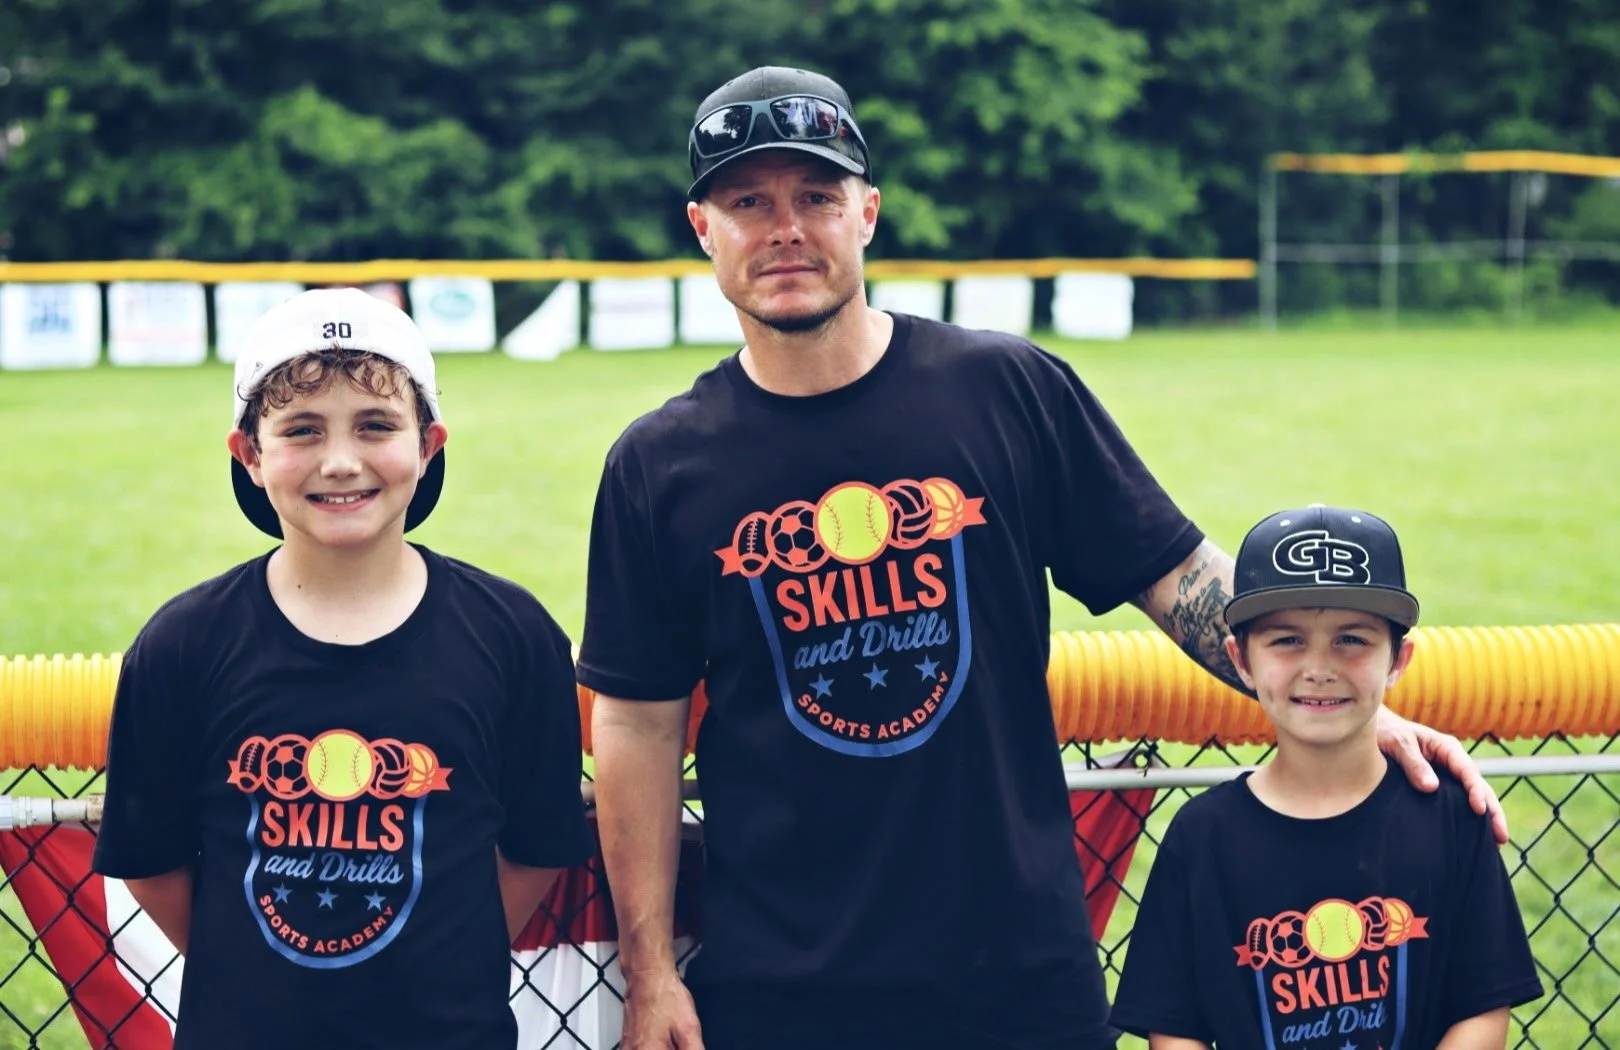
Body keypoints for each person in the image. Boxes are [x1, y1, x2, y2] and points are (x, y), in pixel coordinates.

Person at [578, 65, 1509, 1050]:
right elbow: (637, 724)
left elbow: (1181, 577)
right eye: (748, 202)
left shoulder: (1001, 390)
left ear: (868, 213)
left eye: (816, 195)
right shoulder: (662, 462)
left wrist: (1366, 713)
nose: (786, 228)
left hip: (1015, 971)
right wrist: (648, 973)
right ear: (703, 229)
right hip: (783, 984)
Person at [91, 288, 591, 1050]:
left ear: (430, 445)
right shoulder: (182, 646)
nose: (340, 461)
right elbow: (153, 866)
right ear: (249, 455)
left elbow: (532, 849)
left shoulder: (514, 636)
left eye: (376, 425)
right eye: (301, 429)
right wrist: (263, 973)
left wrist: (433, 957)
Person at [1110, 505, 1542, 1048]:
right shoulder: (1202, 835)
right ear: (1240, 660)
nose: (1320, 666)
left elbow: (1483, 1010)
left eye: (1352, 639)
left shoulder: (1448, 814)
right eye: (1287, 640)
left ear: (1398, 659)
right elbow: (1174, 1030)